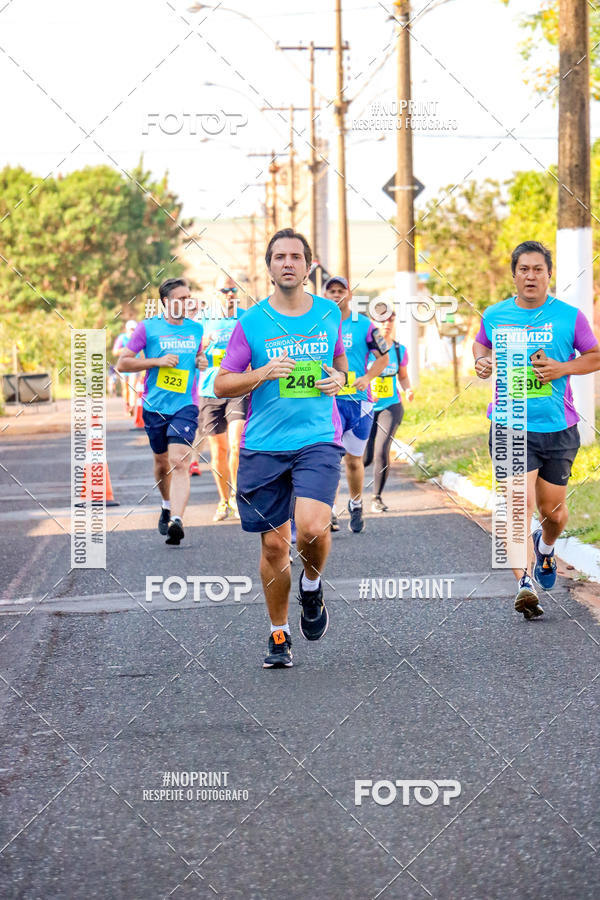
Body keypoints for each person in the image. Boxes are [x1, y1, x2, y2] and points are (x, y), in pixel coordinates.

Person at [214, 228, 348, 668]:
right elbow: (222, 382)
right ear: (269, 267)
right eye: (279, 257)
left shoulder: (329, 314)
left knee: (311, 528)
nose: (287, 263)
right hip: (264, 445)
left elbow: (341, 365)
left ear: (308, 265)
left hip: (317, 439)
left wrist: (340, 379)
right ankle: (279, 632)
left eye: (295, 256)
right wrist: (263, 373)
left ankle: (312, 584)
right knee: (273, 548)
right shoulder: (250, 323)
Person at [473, 240, 600, 619]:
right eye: (523, 269)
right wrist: (482, 363)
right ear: (514, 275)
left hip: (557, 427)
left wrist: (563, 368)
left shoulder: (569, 317)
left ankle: (546, 548)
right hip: (509, 423)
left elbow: (594, 355)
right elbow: (480, 347)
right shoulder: (495, 315)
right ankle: (524, 585)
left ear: (548, 275)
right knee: (517, 504)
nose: (530, 275)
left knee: (554, 513)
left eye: (538, 269)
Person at [117, 278, 206, 546]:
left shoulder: (196, 329)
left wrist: (201, 361)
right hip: (154, 406)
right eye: (180, 298)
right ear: (166, 302)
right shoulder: (148, 328)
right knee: (161, 463)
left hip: (185, 405)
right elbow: (123, 363)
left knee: (179, 460)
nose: (186, 302)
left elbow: (198, 358)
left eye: (188, 297)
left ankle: (177, 520)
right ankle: (167, 505)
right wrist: (156, 361)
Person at [324, 276, 389, 533]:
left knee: (354, 460)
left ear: (349, 295)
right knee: (328, 458)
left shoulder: (363, 324)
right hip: (328, 401)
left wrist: (367, 377)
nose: (336, 295)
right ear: (325, 295)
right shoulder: (319, 325)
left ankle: (356, 502)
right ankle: (328, 509)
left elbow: (383, 357)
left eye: (341, 291)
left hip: (359, 402)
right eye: (331, 292)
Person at [197, 275, 248, 521]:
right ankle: (223, 500)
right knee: (218, 451)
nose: (230, 294)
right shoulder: (202, 320)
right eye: (225, 290)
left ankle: (238, 498)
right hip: (210, 390)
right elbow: (194, 357)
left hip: (238, 387)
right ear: (215, 293)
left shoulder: (246, 318)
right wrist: (201, 350)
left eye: (233, 290)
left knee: (237, 444)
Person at [363, 309, 414, 511]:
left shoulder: (399, 349)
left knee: (382, 451)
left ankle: (377, 498)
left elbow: (402, 375)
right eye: (382, 320)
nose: (387, 324)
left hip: (390, 406)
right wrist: (366, 390)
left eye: (391, 319)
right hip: (366, 407)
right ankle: (354, 493)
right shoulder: (365, 350)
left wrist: (408, 388)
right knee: (364, 457)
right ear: (374, 322)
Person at [112, 319, 138, 414]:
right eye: (131, 329)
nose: (132, 331)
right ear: (127, 329)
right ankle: (127, 404)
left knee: (132, 387)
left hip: (135, 367)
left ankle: (132, 407)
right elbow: (115, 352)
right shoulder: (121, 338)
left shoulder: (138, 338)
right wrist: (125, 350)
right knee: (125, 389)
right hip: (123, 367)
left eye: (134, 329)